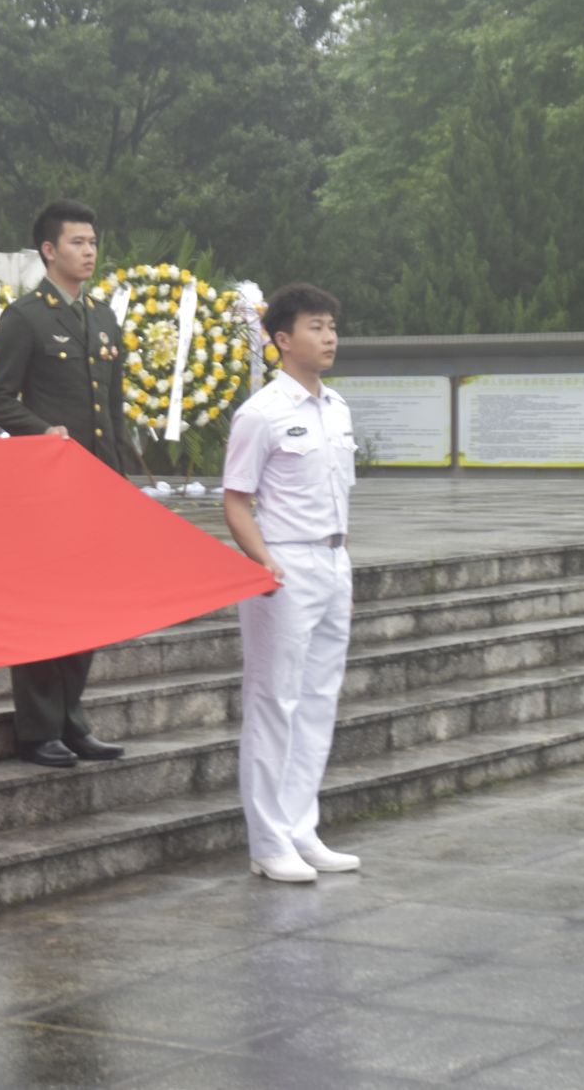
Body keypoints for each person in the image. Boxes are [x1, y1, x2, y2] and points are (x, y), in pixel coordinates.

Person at [0, 199, 139, 768]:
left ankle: (73, 720)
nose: (89, 251)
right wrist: (42, 431)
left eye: (93, 241)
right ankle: (37, 728)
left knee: (87, 605)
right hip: (47, 487)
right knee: (44, 605)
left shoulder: (103, 316)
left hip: (96, 484)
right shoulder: (25, 317)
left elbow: (111, 410)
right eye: (77, 242)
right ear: (48, 250)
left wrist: (120, 480)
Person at [220, 283, 359, 884]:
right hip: (283, 566)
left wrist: (340, 563)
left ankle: (302, 829)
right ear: (282, 339)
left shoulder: (338, 408)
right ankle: (269, 841)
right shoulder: (262, 413)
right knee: (274, 701)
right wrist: (263, 561)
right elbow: (236, 501)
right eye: (315, 327)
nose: (328, 338)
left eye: (331, 327)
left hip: (333, 560)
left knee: (318, 701)